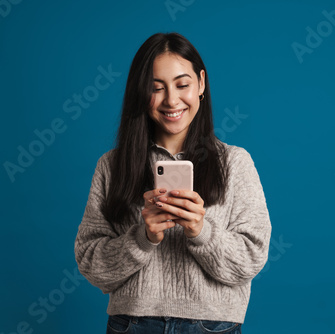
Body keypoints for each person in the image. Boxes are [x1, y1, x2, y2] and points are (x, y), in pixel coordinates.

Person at [74, 32, 272, 334]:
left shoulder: (235, 163)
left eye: (182, 85)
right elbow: (91, 263)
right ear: (141, 93)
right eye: (156, 88)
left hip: (211, 326)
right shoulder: (112, 166)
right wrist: (142, 238)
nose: (171, 100)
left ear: (201, 84)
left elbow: (250, 260)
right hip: (132, 325)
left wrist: (201, 232)